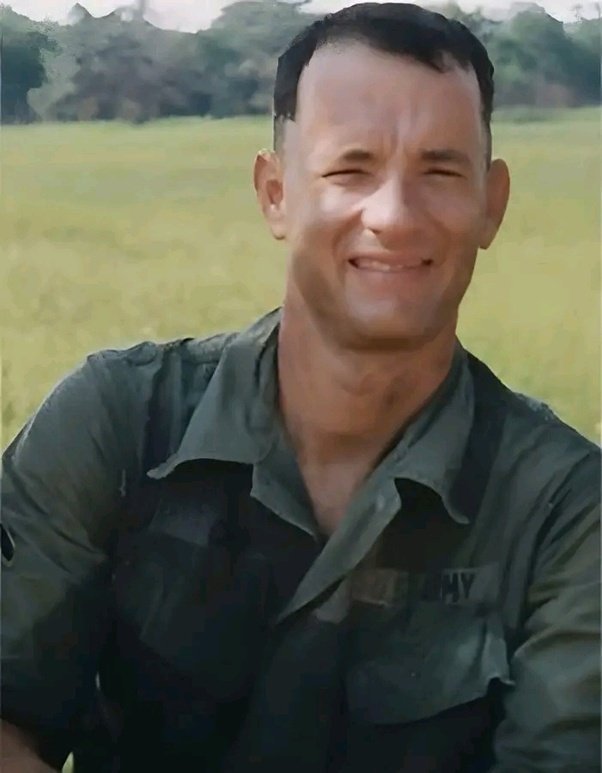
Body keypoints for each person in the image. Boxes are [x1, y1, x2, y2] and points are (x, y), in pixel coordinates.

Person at [1, 3, 599, 772]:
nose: (394, 215)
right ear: (276, 193)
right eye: (351, 168)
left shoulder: (565, 510)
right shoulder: (118, 422)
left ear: (492, 202)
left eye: (441, 171)